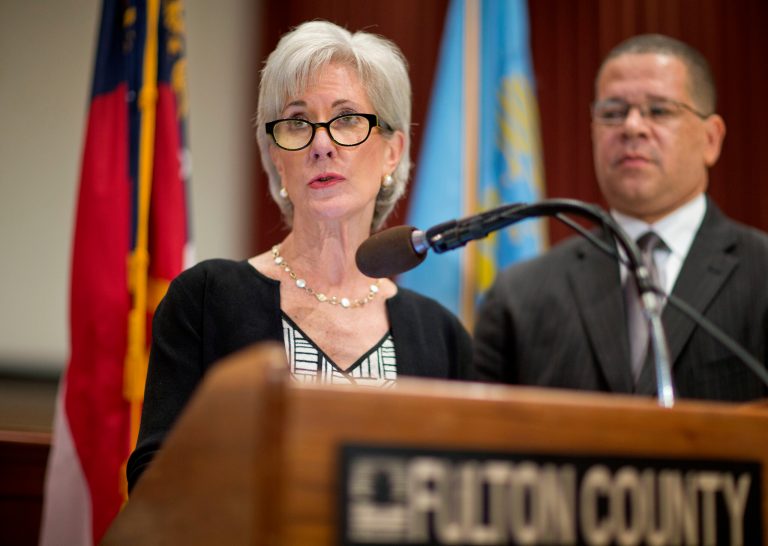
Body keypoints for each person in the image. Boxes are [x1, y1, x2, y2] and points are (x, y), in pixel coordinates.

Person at [127, 20, 472, 492]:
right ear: (275, 156)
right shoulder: (206, 301)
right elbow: (155, 480)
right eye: (297, 123)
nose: (321, 143)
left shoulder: (441, 337)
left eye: (347, 118)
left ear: (393, 151)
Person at [473, 34, 768, 402]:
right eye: (612, 113)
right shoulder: (520, 296)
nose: (632, 127)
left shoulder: (761, 272)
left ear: (711, 139)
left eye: (659, 111)